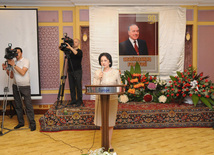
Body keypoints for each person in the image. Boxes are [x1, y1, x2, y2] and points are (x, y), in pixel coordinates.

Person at [2, 47, 36, 131]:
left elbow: (22, 72)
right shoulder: (14, 62)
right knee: (18, 106)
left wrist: (14, 65)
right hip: (15, 86)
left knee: (28, 105)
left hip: (25, 86)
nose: (16, 54)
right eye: (15, 53)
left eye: (18, 52)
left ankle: (32, 124)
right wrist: (6, 69)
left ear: (21, 53)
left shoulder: (26, 61)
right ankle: (21, 122)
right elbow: (12, 76)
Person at [93, 53, 121, 151]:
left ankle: (109, 144)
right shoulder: (97, 72)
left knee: (110, 122)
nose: (103, 62)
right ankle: (104, 144)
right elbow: (94, 87)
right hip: (101, 100)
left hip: (112, 100)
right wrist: (98, 78)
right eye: (101, 61)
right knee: (102, 122)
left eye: (105, 60)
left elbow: (119, 86)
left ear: (109, 61)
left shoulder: (116, 72)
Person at [65, 38, 83, 107]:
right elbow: (61, 48)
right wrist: (64, 45)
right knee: (71, 86)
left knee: (78, 86)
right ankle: (73, 100)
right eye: (73, 42)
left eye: (76, 42)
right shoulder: (69, 51)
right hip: (70, 71)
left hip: (77, 71)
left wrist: (70, 48)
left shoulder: (80, 51)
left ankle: (79, 100)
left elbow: (76, 53)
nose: (74, 43)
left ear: (78, 43)